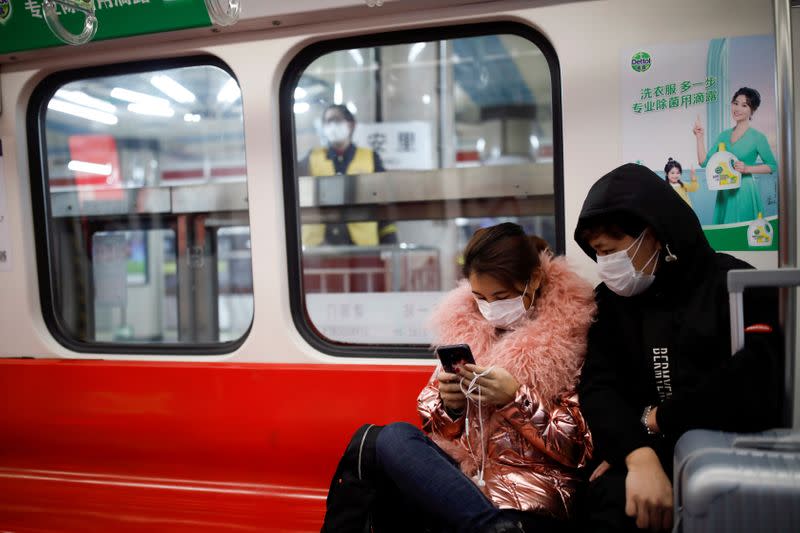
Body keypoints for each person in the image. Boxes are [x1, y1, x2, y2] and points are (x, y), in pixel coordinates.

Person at [574, 163, 782, 532]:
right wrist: (637, 455)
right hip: (642, 450)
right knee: (605, 499)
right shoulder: (610, 301)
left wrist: (660, 419)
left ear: (654, 234)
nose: (606, 265)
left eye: (613, 249)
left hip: (726, 448)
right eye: (598, 254)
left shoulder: (735, 284)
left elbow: (756, 377)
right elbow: (598, 386)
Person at [372, 223, 596, 532]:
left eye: (501, 296)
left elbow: (578, 447)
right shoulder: (465, 330)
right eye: (480, 297)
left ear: (533, 281)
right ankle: (491, 528)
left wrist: (515, 399)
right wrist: (450, 407)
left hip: (530, 495)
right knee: (392, 437)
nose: (489, 309)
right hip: (464, 485)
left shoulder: (571, 338)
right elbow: (434, 425)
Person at [298, 104, 397, 246]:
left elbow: (385, 201)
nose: (332, 125)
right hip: (319, 248)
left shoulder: (370, 158)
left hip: (362, 248)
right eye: (327, 121)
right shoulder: (312, 157)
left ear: (351, 125)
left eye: (336, 120)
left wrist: (389, 239)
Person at [693, 87, 778, 224]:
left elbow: (772, 166)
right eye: (735, 103)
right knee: (725, 238)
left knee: (743, 236)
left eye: (744, 105)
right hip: (724, 190)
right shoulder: (723, 135)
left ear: (752, 110)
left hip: (744, 189)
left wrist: (747, 168)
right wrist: (699, 137)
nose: (737, 108)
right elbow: (704, 163)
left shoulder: (758, 137)